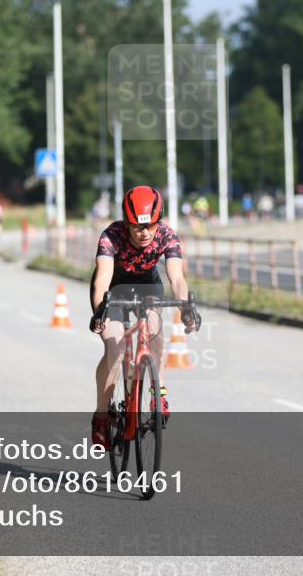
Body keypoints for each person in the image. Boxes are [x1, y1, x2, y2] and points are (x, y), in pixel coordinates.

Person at [88, 186, 201, 449]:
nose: (144, 233)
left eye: (150, 226)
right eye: (137, 228)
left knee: (155, 328)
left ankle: (158, 393)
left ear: (158, 222)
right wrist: (99, 312)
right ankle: (102, 416)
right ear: (126, 224)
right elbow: (102, 278)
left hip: (148, 287)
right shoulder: (111, 236)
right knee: (114, 349)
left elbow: (176, 278)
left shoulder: (167, 235)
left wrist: (185, 307)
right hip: (113, 289)